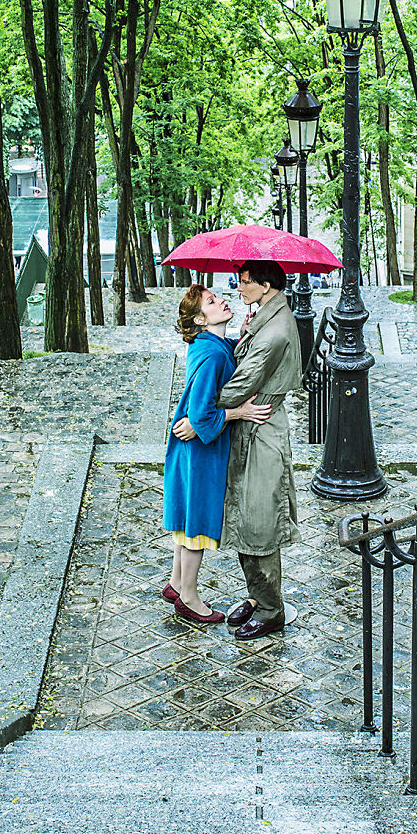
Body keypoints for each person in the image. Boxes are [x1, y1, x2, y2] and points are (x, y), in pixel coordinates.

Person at [174, 260, 302, 641]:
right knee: (248, 518)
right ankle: (258, 597)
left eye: (243, 282)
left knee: (259, 520)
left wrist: (206, 416)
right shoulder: (265, 316)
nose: (237, 288)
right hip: (248, 428)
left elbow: (240, 384)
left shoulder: (274, 331)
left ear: (264, 285)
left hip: (260, 431)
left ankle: (270, 608)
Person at [163, 284, 271, 625]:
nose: (223, 299)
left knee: (185, 521)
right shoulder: (210, 354)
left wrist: (241, 338)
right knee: (197, 524)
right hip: (201, 454)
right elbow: (203, 415)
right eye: (212, 301)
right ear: (200, 318)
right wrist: (240, 413)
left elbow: (223, 357)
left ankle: (176, 582)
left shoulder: (209, 345)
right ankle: (190, 597)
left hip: (189, 450)